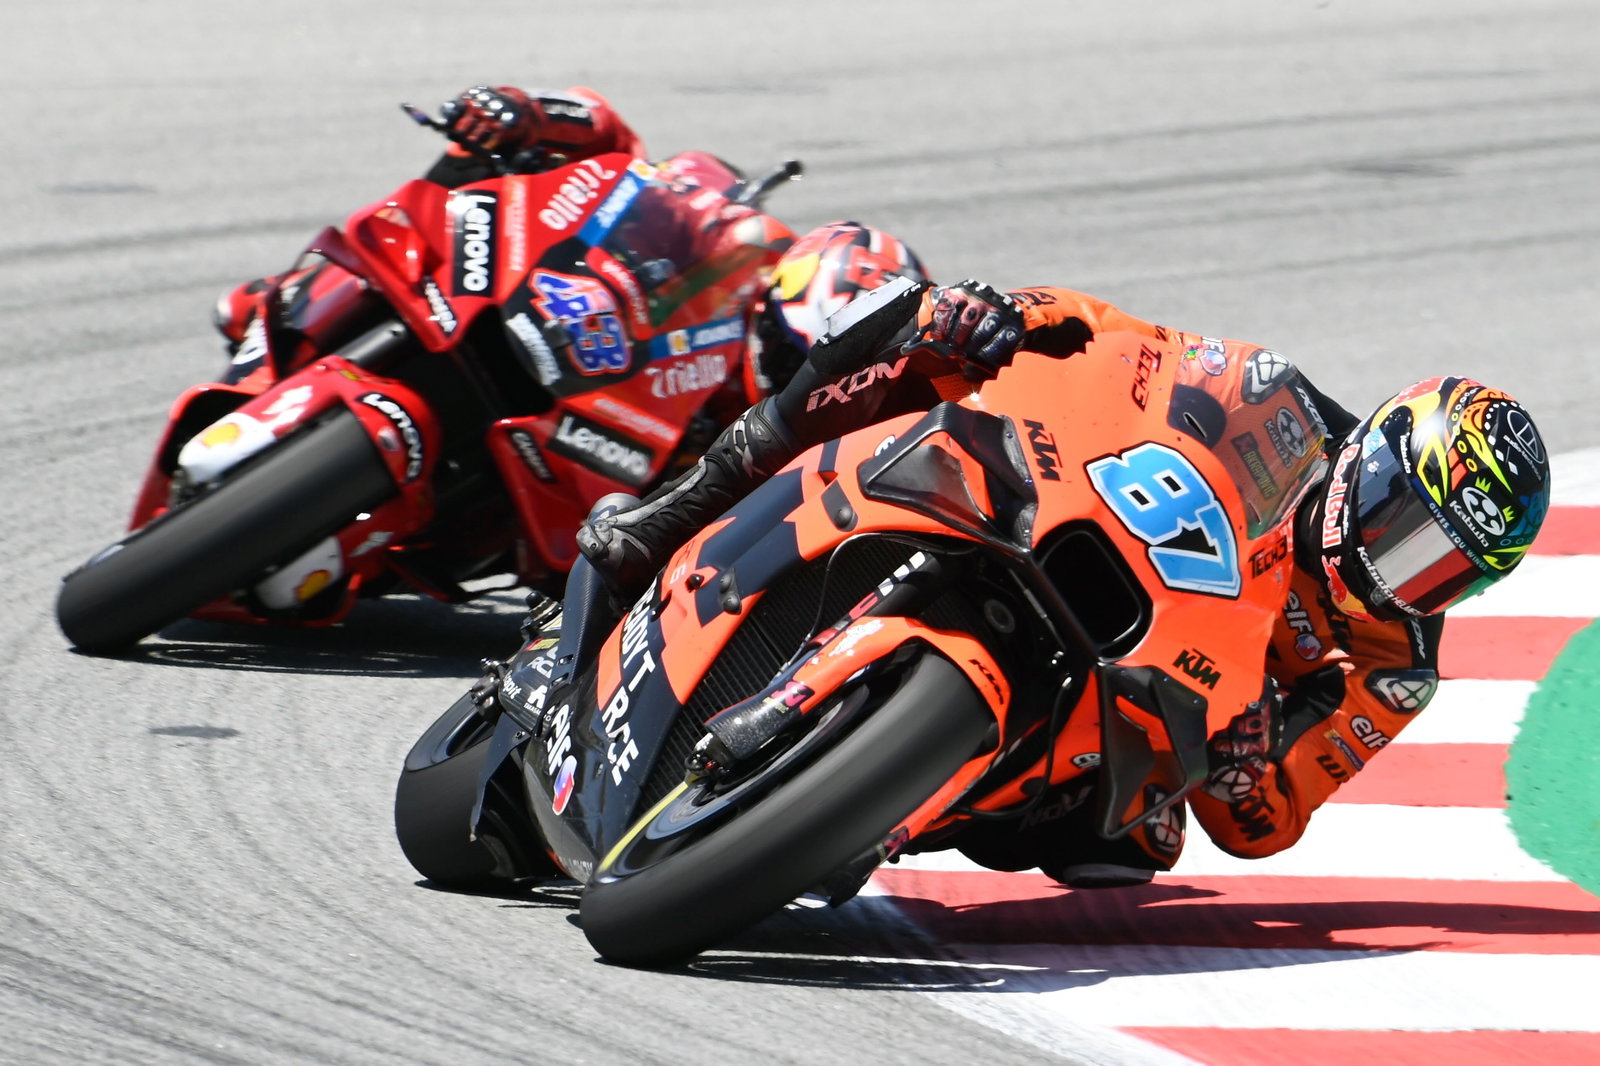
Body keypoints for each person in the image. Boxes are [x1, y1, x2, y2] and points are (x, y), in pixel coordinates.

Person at [575, 279, 1553, 886]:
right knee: (909, 322)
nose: (1404, 575)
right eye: (1407, 535)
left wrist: (1251, 764)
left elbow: (1267, 825)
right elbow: (1127, 348)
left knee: (1128, 853)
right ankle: (677, 506)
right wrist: (1011, 315)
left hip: (1151, 702)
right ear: (1371, 466)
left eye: (1444, 573)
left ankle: (874, 812)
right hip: (1085, 533)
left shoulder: (1391, 669)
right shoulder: (1277, 400)